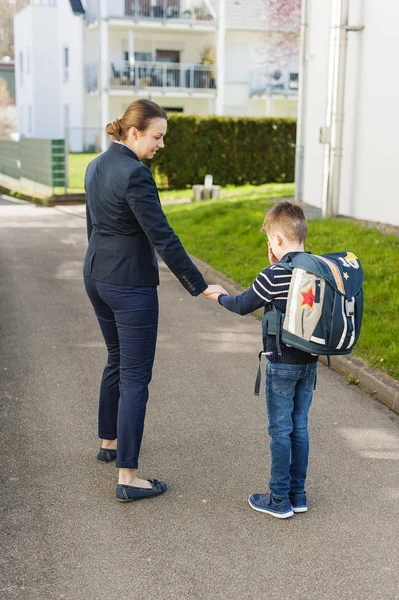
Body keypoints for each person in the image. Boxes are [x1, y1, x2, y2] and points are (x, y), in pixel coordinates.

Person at [83, 98, 225, 502]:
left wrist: (97, 264)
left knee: (115, 358)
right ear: (134, 133)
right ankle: (128, 476)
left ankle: (108, 443)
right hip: (129, 286)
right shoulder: (136, 175)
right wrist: (200, 285)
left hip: (96, 276)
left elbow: (94, 226)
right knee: (134, 378)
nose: (160, 144)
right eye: (157, 136)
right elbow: (162, 236)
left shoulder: (96, 165)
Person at [205, 202, 318, 518]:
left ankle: (278, 500)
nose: (269, 246)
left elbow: (242, 304)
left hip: (281, 363)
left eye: (269, 240)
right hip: (309, 363)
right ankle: (298, 495)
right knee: (300, 426)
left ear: (278, 241)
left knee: (280, 430)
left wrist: (218, 295)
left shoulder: (273, 274)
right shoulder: (315, 271)